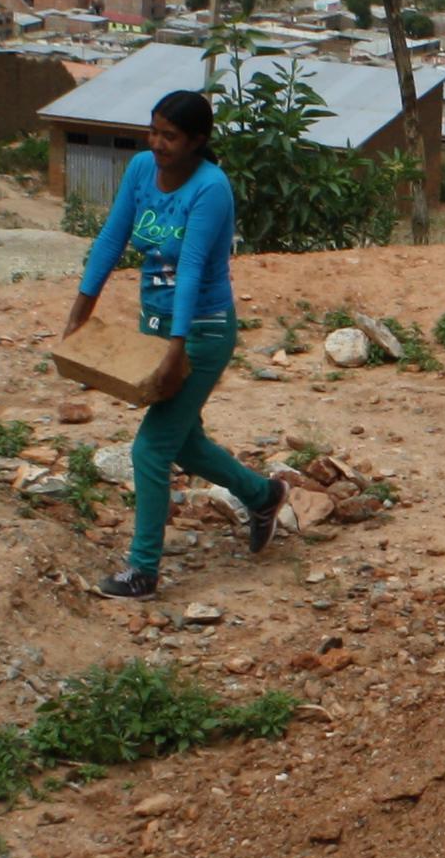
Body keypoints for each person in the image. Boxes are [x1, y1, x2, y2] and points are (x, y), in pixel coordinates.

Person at [59, 87, 284, 600]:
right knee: (182, 440)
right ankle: (263, 494)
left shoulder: (211, 188)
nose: (157, 143)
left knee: (151, 448)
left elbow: (192, 268)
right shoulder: (142, 170)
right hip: (157, 326)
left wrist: (175, 349)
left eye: (170, 136)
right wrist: (78, 315)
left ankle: (143, 571)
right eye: (154, 131)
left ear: (197, 141)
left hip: (201, 331)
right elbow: (112, 239)